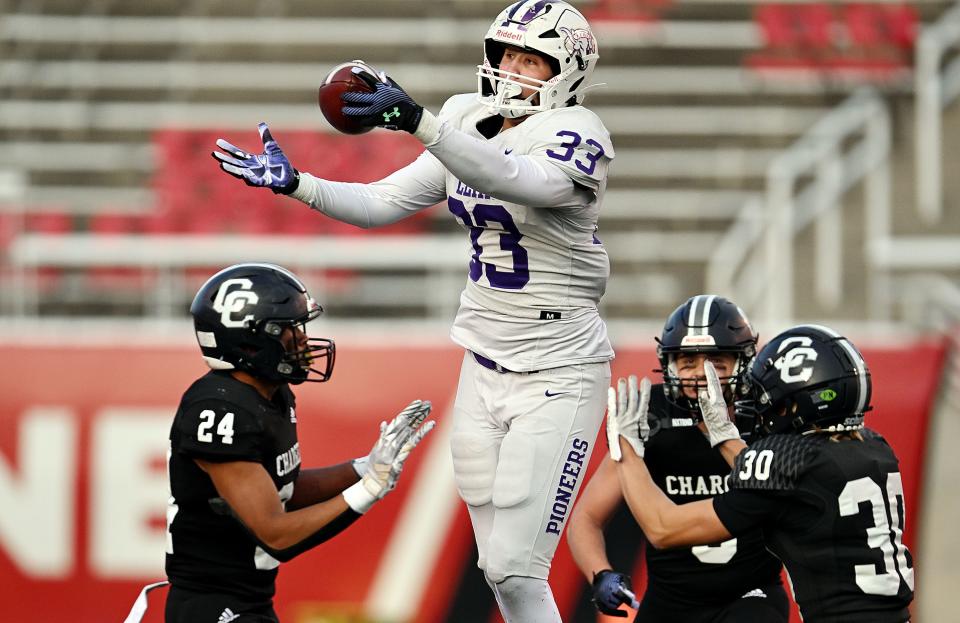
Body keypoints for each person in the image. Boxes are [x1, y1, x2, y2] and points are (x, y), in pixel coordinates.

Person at [211, 2, 613, 621]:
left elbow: (514, 179)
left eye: (532, 59)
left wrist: (417, 120)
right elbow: (380, 202)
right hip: (482, 361)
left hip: (558, 368)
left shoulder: (579, 131)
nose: (512, 70)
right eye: (505, 53)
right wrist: (299, 184)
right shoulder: (465, 118)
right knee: (496, 571)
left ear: (568, 70)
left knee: (516, 565)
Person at [163, 263, 434, 623]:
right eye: (290, 330)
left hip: (251, 601)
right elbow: (275, 533)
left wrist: (363, 468)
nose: (303, 340)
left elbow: (281, 489)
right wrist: (368, 491)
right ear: (252, 339)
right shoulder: (218, 409)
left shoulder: (271, 395)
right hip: (211, 606)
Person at [607, 324, 915, 623]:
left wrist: (627, 451)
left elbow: (663, 528)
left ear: (800, 402)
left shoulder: (791, 460)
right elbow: (781, 476)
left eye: (774, 402)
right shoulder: (875, 446)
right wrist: (724, 434)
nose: (766, 410)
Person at [568, 295, 789, 622]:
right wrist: (600, 573)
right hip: (671, 599)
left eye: (716, 363)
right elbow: (586, 519)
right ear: (669, 367)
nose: (701, 375)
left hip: (749, 594)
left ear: (742, 365)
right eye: (688, 362)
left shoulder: (765, 415)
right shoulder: (650, 416)